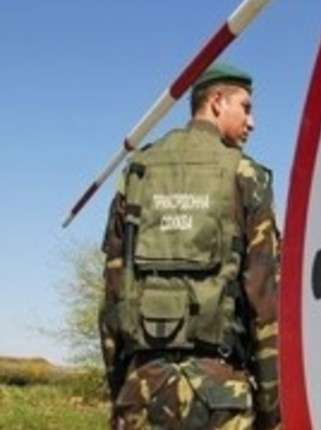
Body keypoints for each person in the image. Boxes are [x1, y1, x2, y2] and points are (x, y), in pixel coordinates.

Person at [98, 63, 281, 430]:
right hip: (222, 397)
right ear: (217, 102)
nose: (252, 122)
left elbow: (112, 296)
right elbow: (264, 301)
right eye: (245, 108)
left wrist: (125, 387)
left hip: (141, 392)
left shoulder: (138, 172)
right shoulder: (246, 176)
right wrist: (271, 411)